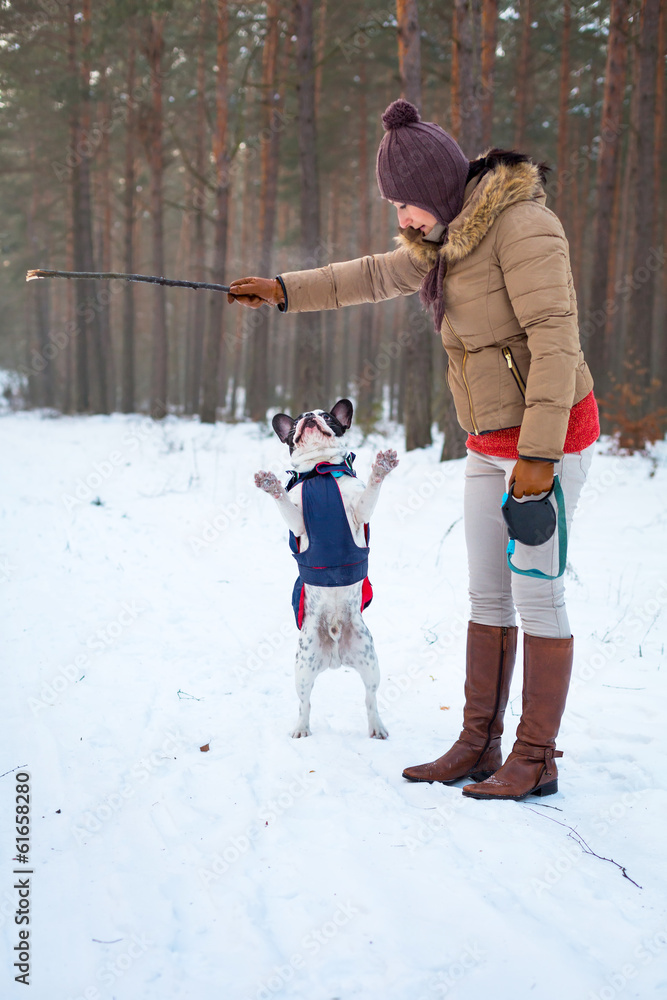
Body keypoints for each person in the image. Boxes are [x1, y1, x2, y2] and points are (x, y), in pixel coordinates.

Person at [227, 98, 599, 802]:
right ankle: (477, 742)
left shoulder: (523, 227)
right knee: (487, 593)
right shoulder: (441, 242)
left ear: (436, 190)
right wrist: (282, 291)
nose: (399, 217)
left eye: (403, 202)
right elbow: (365, 276)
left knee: (536, 594)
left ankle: (536, 756)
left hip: (547, 441)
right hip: (489, 440)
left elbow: (555, 343)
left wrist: (540, 457)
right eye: (393, 204)